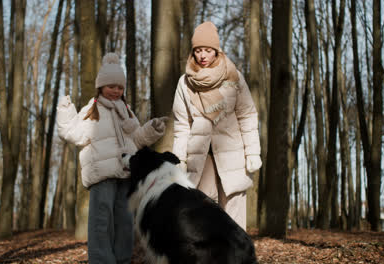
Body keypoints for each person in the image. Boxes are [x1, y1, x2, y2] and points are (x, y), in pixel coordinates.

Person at [57, 53, 167, 264]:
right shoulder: (93, 109)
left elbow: (137, 139)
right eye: (111, 86)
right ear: (101, 86)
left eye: (120, 87)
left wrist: (152, 129)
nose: (116, 91)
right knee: (101, 220)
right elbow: (73, 133)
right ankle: (101, 260)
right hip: (102, 175)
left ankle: (122, 259)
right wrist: (65, 111)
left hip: (125, 174)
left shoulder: (126, 111)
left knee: (125, 221)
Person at [172, 21, 262, 230]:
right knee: (202, 217)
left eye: (208, 50)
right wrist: (180, 160)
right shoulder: (184, 83)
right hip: (201, 157)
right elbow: (182, 125)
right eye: (198, 51)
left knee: (234, 216)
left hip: (233, 153)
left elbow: (247, 115)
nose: (203, 56)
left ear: (216, 50)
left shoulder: (233, 76)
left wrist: (252, 153)